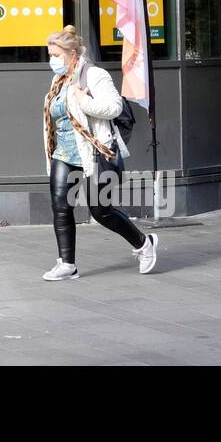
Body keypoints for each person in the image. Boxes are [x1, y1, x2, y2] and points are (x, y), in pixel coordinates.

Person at [42, 25, 158, 281]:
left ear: (73, 54)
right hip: (63, 152)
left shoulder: (94, 75)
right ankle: (67, 263)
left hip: (95, 150)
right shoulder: (58, 80)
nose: (52, 61)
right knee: (60, 207)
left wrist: (84, 101)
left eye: (56, 55)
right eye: (50, 55)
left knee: (101, 211)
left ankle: (144, 243)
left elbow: (114, 107)